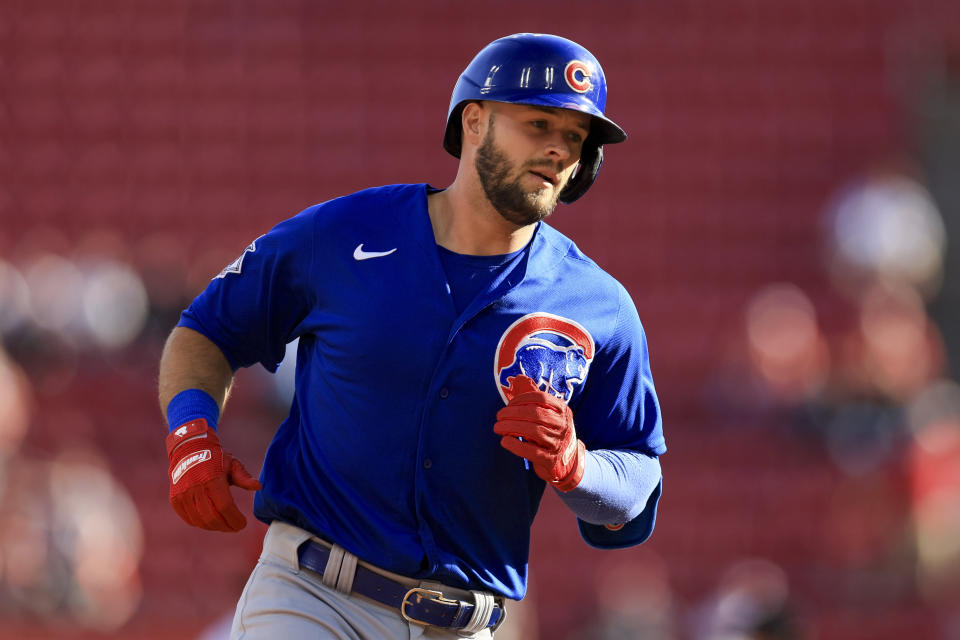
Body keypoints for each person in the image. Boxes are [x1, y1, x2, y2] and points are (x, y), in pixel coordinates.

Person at [158, 33, 666, 639]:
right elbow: (208, 329)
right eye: (539, 124)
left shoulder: (598, 306)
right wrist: (190, 431)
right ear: (473, 121)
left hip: (468, 622)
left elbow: (637, 483)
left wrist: (577, 466)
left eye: (576, 139)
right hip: (313, 594)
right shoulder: (343, 232)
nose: (559, 149)